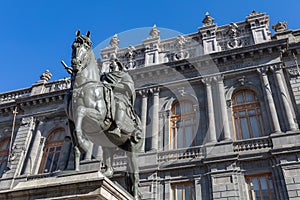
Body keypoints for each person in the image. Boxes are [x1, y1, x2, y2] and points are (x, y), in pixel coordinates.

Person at [101, 59, 137, 137]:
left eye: (113, 62)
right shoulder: (105, 76)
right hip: (107, 94)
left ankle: (118, 127)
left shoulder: (124, 75)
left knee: (119, 103)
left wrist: (111, 85)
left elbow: (127, 87)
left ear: (117, 64)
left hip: (120, 96)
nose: (111, 63)